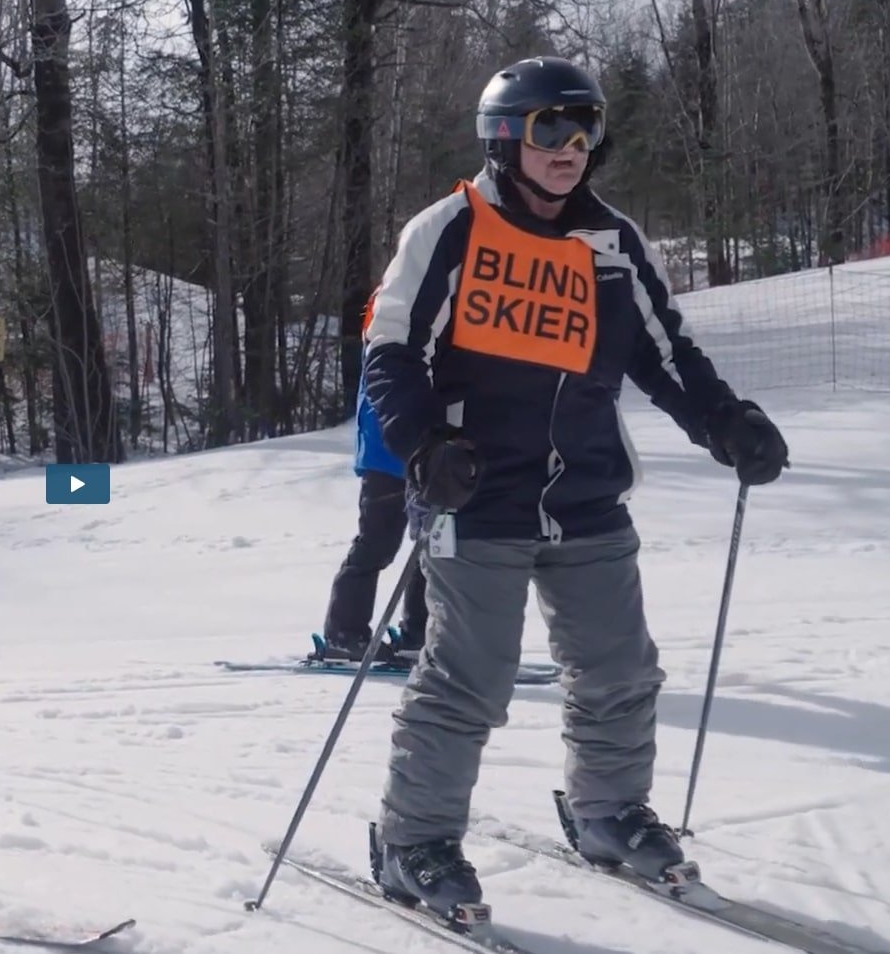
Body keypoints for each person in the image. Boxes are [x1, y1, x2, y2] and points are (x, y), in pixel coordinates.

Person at [361, 56, 789, 919]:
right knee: (468, 677)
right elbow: (392, 350)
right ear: (504, 137)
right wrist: (424, 444)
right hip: (474, 495)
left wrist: (723, 421)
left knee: (619, 670)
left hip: (585, 493)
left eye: (585, 127)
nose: (570, 146)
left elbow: (666, 354)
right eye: (549, 127)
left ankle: (609, 812)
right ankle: (415, 841)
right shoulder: (452, 228)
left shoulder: (613, 242)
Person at [317, 297, 428, 666]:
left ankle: (420, 632)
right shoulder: (392, 322)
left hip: (421, 452)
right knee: (378, 543)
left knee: (432, 546)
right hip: (387, 454)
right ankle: (344, 633)